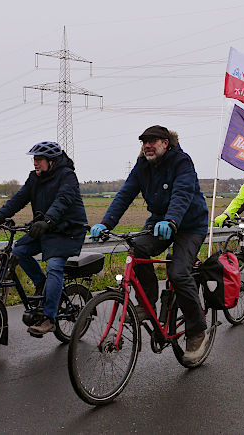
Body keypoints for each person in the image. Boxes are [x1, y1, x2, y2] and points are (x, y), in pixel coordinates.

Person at [89, 125, 209, 364]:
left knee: (177, 273)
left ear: (166, 143)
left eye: (153, 141)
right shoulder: (142, 166)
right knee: (138, 250)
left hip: (188, 225)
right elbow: (124, 195)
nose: (147, 145)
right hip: (159, 222)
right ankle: (148, 304)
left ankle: (197, 331)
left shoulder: (182, 162)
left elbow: (182, 194)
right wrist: (106, 223)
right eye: (144, 142)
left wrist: (172, 220)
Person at [0, 141, 88, 337]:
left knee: (55, 266)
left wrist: (47, 220)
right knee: (18, 252)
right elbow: (18, 200)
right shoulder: (35, 178)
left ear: (52, 161)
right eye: (34, 159)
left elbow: (63, 200)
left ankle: (49, 318)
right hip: (45, 229)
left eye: (39, 159)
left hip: (68, 232)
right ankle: (42, 284)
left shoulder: (67, 176)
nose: (35, 163)